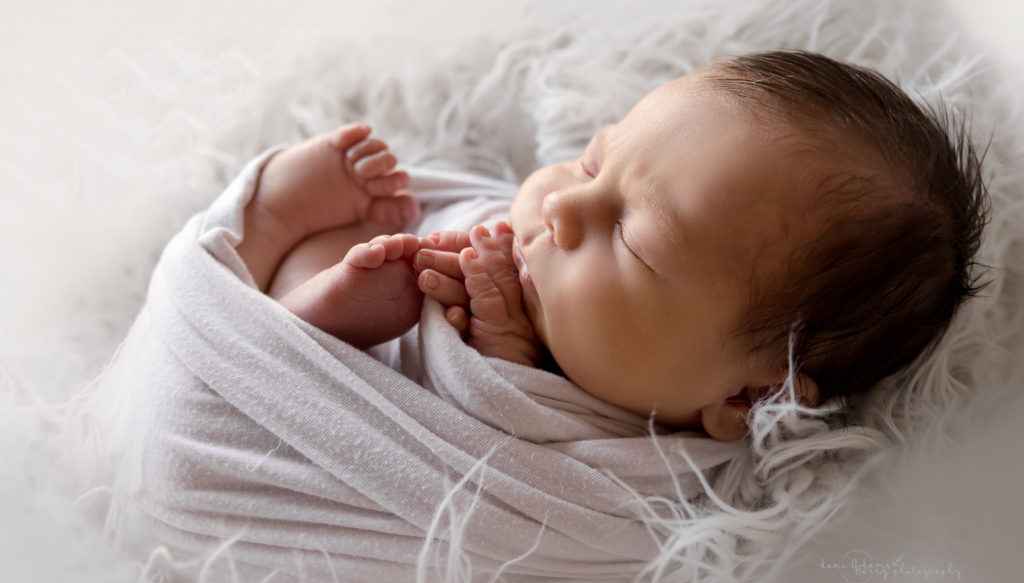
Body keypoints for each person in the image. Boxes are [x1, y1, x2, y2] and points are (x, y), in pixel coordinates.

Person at [236, 50, 986, 442]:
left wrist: (500, 365)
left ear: (753, 396)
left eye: (633, 237)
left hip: (316, 440)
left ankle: (299, 317)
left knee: (349, 280)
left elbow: (508, 483)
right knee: (380, 239)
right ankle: (267, 244)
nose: (561, 204)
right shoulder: (525, 236)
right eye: (594, 159)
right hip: (367, 301)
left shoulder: (641, 466)